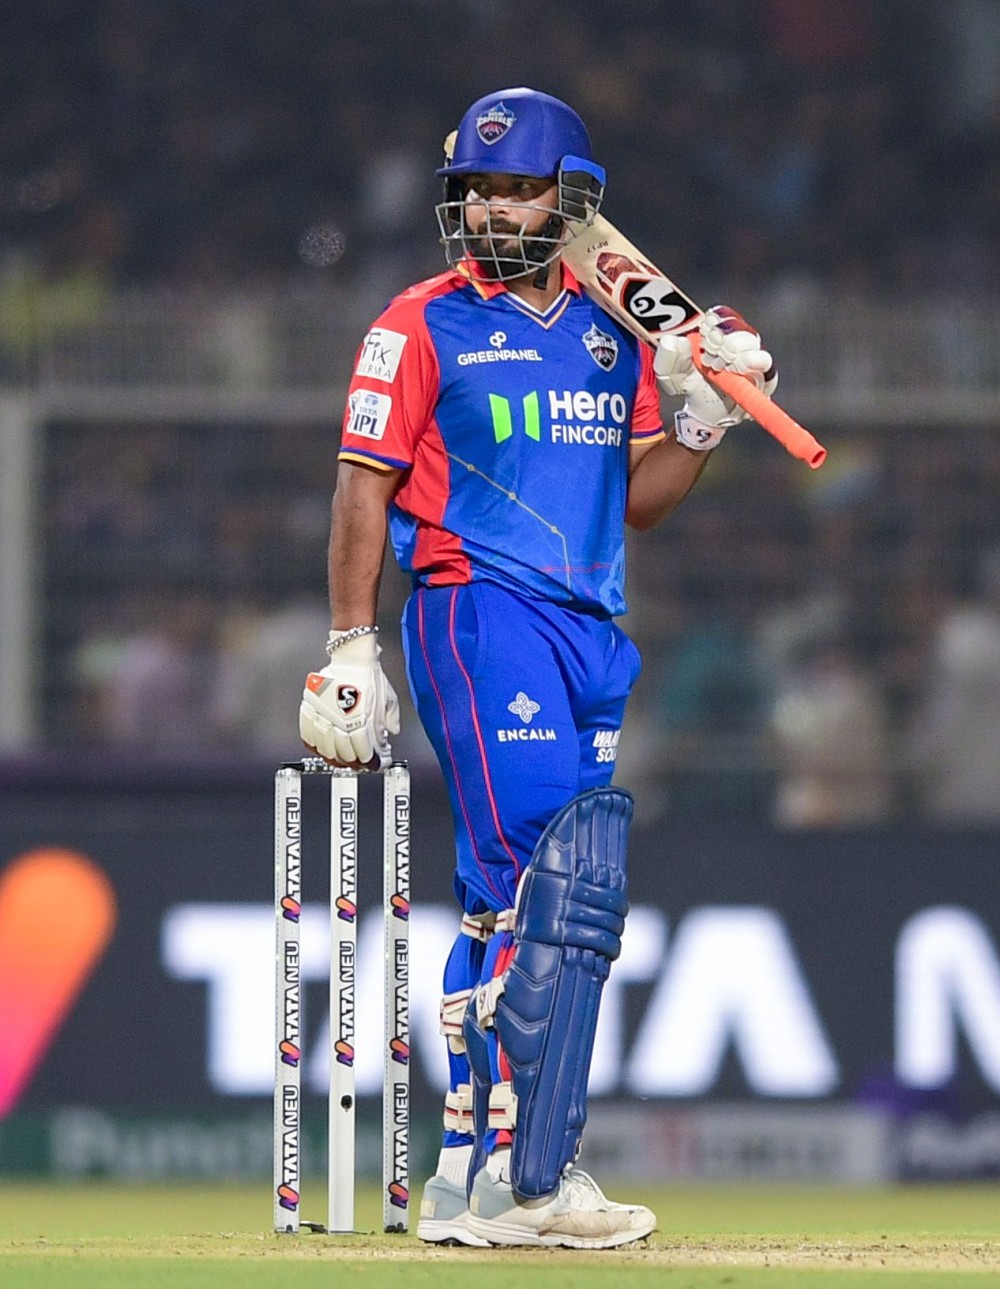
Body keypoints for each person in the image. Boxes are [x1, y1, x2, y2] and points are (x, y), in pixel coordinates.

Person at [299, 87, 777, 1249]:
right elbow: (362, 482)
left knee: (504, 897)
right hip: (479, 611)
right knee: (555, 886)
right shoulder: (418, 324)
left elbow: (640, 499)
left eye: (518, 190)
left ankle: (467, 1167)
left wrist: (704, 416)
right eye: (477, 190)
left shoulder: (612, 337)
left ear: (571, 202)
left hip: (591, 625)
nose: (494, 210)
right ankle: (536, 1175)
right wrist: (351, 642)